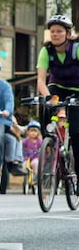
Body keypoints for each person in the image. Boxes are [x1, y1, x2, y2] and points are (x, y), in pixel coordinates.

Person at [36, 14, 79, 180]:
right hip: (57, 88)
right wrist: (47, 98)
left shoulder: (76, 48)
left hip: (77, 90)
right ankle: (50, 143)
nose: (55, 34)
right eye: (52, 31)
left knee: (76, 132)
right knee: (46, 108)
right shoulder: (46, 51)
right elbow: (41, 80)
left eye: (59, 31)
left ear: (68, 34)